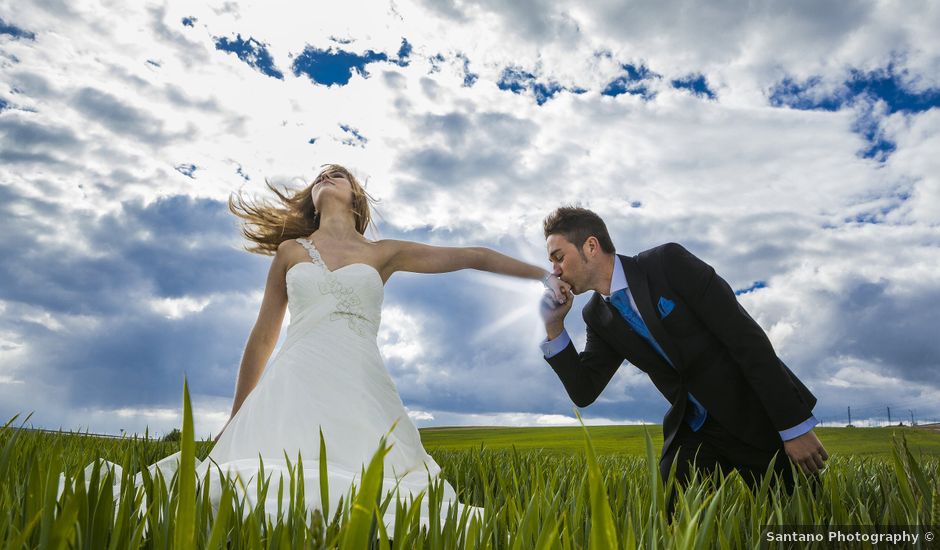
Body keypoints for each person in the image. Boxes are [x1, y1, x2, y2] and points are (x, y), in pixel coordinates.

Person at [62, 164, 569, 527]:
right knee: (254, 482)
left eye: (340, 174)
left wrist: (544, 274)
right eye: (321, 175)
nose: (328, 176)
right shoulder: (289, 252)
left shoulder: (384, 253)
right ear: (311, 197)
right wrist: (237, 417)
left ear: (356, 198)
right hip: (296, 375)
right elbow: (262, 337)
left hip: (361, 382)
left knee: (383, 496)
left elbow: (474, 256)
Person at [537, 206, 827, 502]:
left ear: (591, 245)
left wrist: (793, 427)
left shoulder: (667, 263)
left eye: (559, 258)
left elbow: (745, 338)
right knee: (670, 523)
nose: (555, 271)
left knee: (801, 518)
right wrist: (554, 326)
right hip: (694, 431)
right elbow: (584, 390)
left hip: (755, 416)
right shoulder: (596, 316)